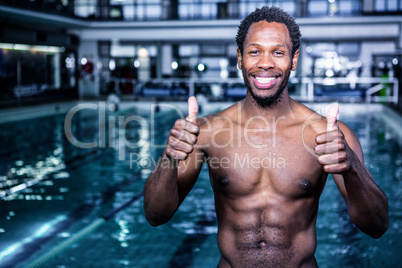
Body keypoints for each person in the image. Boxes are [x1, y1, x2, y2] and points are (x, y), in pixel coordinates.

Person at [143, 6, 388, 267]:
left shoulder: (327, 135)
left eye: (278, 52)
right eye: (254, 51)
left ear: (293, 60)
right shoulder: (208, 131)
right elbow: (156, 215)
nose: (265, 63)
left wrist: (351, 167)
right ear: (240, 58)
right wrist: (169, 159)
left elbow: (378, 225)